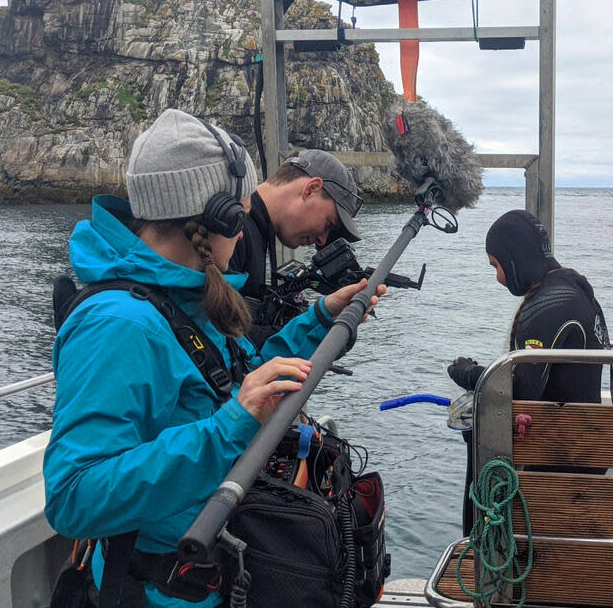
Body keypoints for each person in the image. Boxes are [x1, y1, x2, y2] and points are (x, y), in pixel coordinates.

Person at [43, 109, 383, 607]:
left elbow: (237, 377)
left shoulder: (183, 300)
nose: (244, 234)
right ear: (212, 216)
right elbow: (75, 495)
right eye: (239, 217)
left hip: (218, 577)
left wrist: (321, 319)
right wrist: (229, 428)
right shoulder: (118, 325)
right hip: (158, 591)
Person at [447, 209, 612, 533]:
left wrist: (468, 373)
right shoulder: (575, 291)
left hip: (557, 469)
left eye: (496, 265)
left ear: (513, 259)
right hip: (587, 451)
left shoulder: (546, 306)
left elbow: (518, 387)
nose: (497, 277)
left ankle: (481, 560)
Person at [229, 149, 363, 347]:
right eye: (328, 224)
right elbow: (221, 341)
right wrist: (318, 324)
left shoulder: (254, 230)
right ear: (311, 189)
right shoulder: (234, 233)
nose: (323, 240)